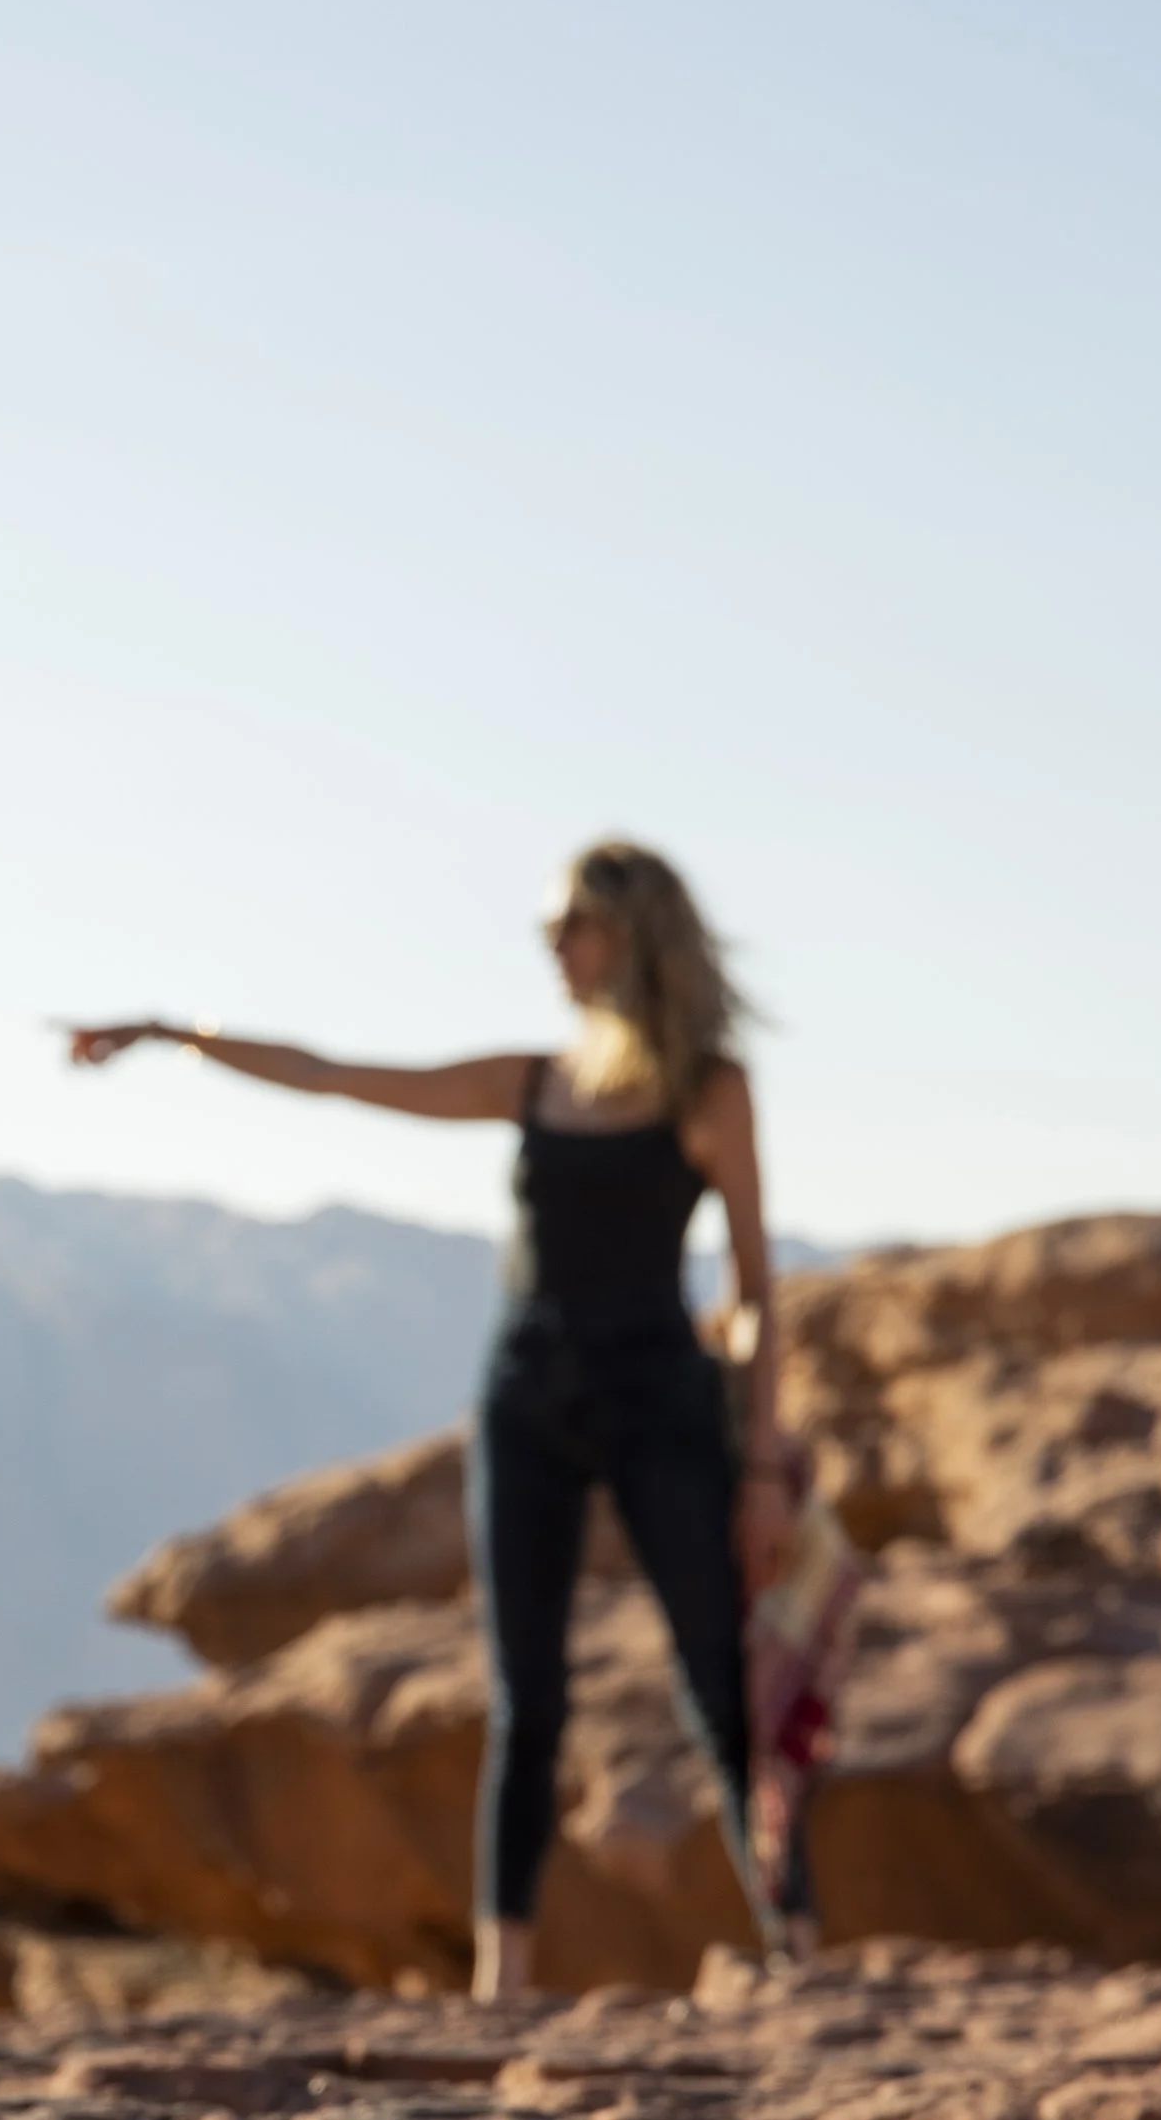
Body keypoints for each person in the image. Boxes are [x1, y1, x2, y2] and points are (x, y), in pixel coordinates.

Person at [66, 834, 789, 1997]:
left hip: (659, 1399)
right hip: (525, 1401)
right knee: (526, 1696)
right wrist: (171, 1033)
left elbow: (754, 1289)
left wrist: (763, 1461)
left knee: (717, 1673)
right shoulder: (532, 1082)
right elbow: (339, 1075)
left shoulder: (709, 1090)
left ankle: (788, 1940)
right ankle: (503, 1982)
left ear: (632, 935)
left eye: (571, 924)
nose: (550, 945)